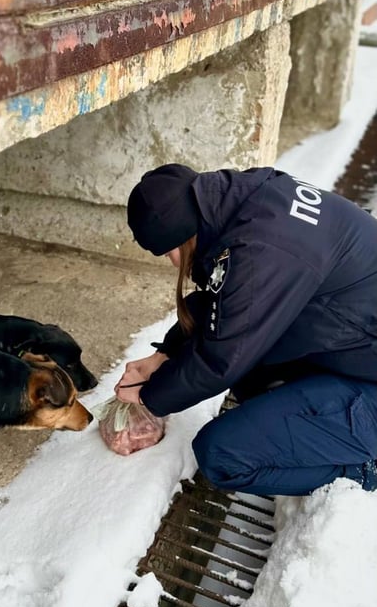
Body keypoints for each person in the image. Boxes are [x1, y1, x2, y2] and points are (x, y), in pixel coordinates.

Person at [114, 164, 377, 495]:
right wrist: (165, 354)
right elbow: (229, 304)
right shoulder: (253, 199)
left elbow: (219, 361)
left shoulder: (262, 251)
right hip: (360, 348)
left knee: (222, 454)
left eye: (169, 252)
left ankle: (364, 470)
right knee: (251, 375)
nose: (173, 263)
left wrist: (149, 397)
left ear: (182, 233)